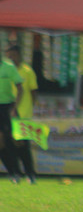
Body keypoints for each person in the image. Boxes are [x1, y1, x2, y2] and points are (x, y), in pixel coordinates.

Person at [6, 45, 39, 183]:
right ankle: (16, 173)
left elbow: (33, 91)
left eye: (13, 55)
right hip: (7, 112)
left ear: (19, 55)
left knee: (23, 145)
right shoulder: (6, 70)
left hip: (23, 113)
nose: (11, 58)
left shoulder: (27, 71)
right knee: (9, 144)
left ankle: (30, 174)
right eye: (8, 56)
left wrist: (30, 108)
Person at [0, 51, 24, 183]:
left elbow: (20, 88)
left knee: (11, 141)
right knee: (1, 143)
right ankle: (11, 172)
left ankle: (17, 172)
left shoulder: (9, 67)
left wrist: (15, 107)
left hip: (7, 107)